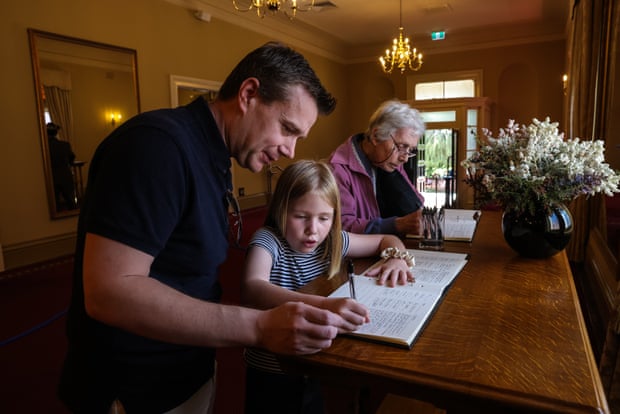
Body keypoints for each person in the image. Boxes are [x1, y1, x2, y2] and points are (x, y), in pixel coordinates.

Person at [58, 42, 337, 414]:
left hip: (182, 374)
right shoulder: (157, 146)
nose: (290, 149)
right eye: (287, 129)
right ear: (248, 94)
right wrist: (259, 327)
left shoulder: (213, 156)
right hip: (134, 390)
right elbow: (110, 291)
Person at [241, 160, 414, 414]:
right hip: (273, 368)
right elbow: (252, 287)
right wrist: (324, 305)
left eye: (324, 218)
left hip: (313, 363)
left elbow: (388, 239)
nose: (313, 230)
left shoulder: (331, 241)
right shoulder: (268, 241)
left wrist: (397, 257)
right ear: (281, 209)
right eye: (301, 217)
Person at [329, 100, 426, 235]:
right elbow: (341, 226)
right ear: (375, 136)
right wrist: (397, 225)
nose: (404, 158)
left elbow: (416, 201)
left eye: (410, 149)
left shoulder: (389, 162)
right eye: (401, 146)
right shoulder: (337, 170)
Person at [47, 122, 77, 210]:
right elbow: (72, 157)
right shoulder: (65, 145)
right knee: (71, 202)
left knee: (55, 205)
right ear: (56, 133)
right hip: (65, 175)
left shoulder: (44, 147)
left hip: (51, 177)